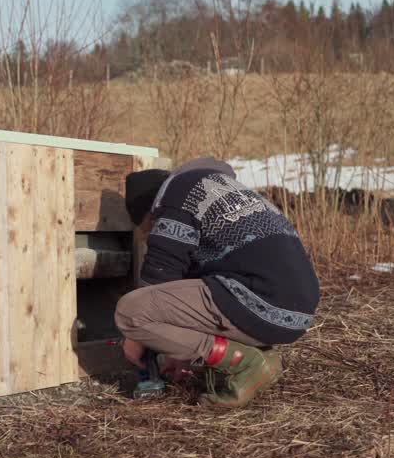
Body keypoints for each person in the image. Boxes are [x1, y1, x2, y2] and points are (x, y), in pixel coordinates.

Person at [114, 156, 320, 408]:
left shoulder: (176, 194)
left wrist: (136, 338)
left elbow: (159, 275)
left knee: (130, 311)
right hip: (296, 312)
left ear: (151, 212)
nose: (149, 238)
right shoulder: (220, 190)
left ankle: (244, 361)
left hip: (258, 299)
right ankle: (262, 356)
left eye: (147, 231)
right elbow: (190, 301)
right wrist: (177, 349)